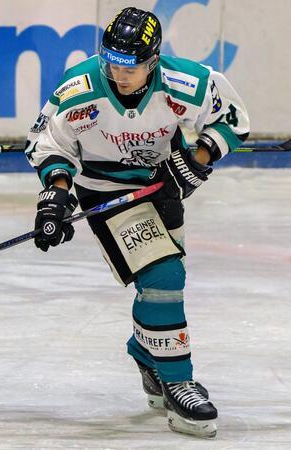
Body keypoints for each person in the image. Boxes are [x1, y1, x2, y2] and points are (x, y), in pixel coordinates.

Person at [25, 7, 248, 438]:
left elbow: (233, 118)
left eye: (130, 67)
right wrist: (56, 193)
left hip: (163, 184)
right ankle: (178, 381)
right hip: (106, 191)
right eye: (112, 63)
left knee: (161, 284)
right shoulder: (79, 87)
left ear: (154, 60)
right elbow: (48, 142)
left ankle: (147, 356)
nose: (118, 75)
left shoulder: (188, 82)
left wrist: (197, 159)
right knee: (164, 275)